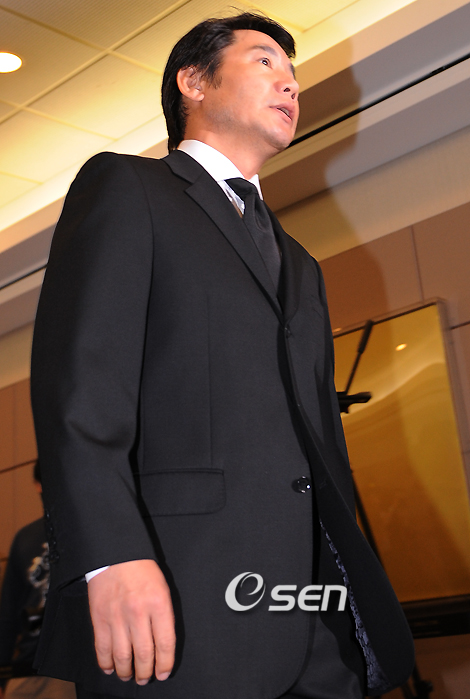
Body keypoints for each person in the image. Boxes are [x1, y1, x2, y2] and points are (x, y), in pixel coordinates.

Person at [30, 12, 414, 699]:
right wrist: (109, 556)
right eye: (266, 61)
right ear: (194, 82)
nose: (291, 84)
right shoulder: (128, 187)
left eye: (294, 74)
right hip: (181, 605)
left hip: (319, 623)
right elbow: (80, 392)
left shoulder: (301, 262)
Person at [0, 463, 75, 699]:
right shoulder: (25, 537)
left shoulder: (85, 531)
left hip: (72, 671)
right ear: (37, 485)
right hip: (26, 670)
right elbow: (8, 612)